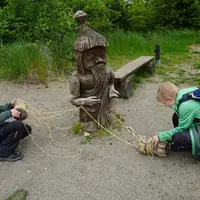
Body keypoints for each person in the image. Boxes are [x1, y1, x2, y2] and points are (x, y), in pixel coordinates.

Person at [152, 82, 200, 160]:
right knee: (176, 116)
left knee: (179, 137)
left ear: (169, 99)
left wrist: (161, 136)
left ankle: (190, 144)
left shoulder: (186, 106)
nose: (165, 106)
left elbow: (182, 128)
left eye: (165, 103)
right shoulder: (185, 93)